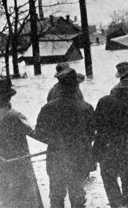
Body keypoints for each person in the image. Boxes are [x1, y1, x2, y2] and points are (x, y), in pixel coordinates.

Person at [34, 68, 95, 208]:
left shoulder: (47, 108)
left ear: (60, 86)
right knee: (78, 195)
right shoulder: (86, 108)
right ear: (75, 86)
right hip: (79, 157)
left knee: (56, 196)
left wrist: (55, 142)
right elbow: (91, 133)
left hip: (56, 157)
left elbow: (39, 134)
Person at [0, 79, 43, 208]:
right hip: (20, 164)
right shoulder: (15, 116)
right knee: (27, 199)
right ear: (9, 97)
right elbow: (35, 134)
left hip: (0, 163)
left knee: (5, 198)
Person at [93, 78, 128, 208]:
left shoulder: (103, 100)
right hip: (125, 146)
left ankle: (116, 204)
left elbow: (95, 123)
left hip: (105, 146)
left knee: (109, 179)